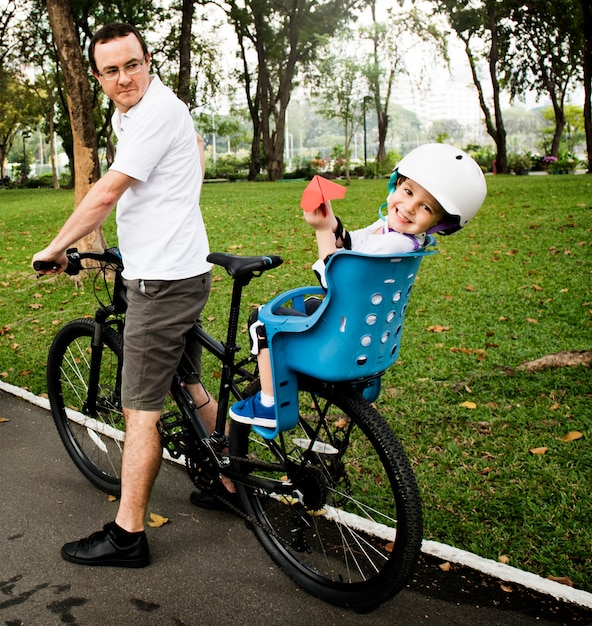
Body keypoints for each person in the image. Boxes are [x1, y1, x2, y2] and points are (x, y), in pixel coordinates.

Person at [32, 22, 221, 567]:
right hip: (180, 268)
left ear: (148, 62)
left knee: (141, 412)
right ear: (97, 76)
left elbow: (106, 193)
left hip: (160, 284)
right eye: (111, 70)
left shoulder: (154, 113)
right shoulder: (140, 111)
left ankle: (128, 535)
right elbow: (160, 183)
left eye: (131, 65)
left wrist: (54, 247)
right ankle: (231, 483)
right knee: (189, 380)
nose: (123, 78)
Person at [229, 143, 488, 427]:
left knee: (263, 320)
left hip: (341, 340)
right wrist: (333, 225)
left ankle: (269, 403)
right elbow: (352, 244)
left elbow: (334, 274)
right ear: (396, 184)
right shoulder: (395, 234)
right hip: (369, 333)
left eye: (425, 207)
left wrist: (320, 230)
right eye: (408, 192)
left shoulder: (393, 241)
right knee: (312, 306)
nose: (409, 208)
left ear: (442, 222)